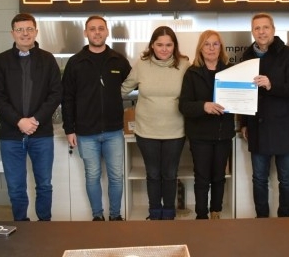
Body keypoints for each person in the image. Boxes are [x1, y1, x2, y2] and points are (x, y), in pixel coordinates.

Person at [0, 13, 62, 221]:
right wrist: (19, 121)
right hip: (11, 135)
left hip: (41, 134)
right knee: (16, 187)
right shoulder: (1, 61)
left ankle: (44, 224)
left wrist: (35, 120)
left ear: (36, 32)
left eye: (29, 29)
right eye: (19, 29)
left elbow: (55, 93)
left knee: (44, 185)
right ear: (12, 33)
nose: (25, 33)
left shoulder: (47, 60)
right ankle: (21, 225)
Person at [62, 16, 132, 221]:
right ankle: (97, 217)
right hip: (86, 133)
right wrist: (69, 129)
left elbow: (133, 84)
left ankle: (115, 216)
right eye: (92, 29)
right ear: (86, 33)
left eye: (101, 28)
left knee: (116, 177)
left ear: (107, 32)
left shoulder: (118, 60)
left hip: (114, 131)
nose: (97, 32)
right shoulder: (75, 62)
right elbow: (67, 98)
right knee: (92, 176)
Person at [121, 26, 191, 220]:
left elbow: (194, 92)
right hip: (146, 131)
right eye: (160, 45)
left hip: (175, 130)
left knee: (170, 174)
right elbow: (123, 89)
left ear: (174, 46)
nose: (164, 49)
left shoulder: (184, 65)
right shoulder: (142, 65)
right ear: (152, 45)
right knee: (152, 174)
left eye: (169, 45)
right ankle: (154, 213)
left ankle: (168, 214)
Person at [240, 13, 289, 218]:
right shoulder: (247, 56)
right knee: (259, 179)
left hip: (283, 127)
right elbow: (243, 94)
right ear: (252, 32)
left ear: (273, 30)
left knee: (286, 179)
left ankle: (285, 219)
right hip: (257, 127)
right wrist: (244, 123)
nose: (261, 32)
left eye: (265, 27)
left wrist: (271, 85)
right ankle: (262, 220)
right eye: (257, 28)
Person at [179, 30, 236, 220]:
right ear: (200, 48)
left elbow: (242, 99)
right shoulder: (192, 73)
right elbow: (184, 105)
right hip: (200, 136)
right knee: (202, 178)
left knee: (219, 177)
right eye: (207, 44)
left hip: (223, 134)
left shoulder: (231, 71)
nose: (211, 48)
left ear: (221, 47)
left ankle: (216, 213)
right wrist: (204, 106)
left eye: (215, 44)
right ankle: (202, 216)